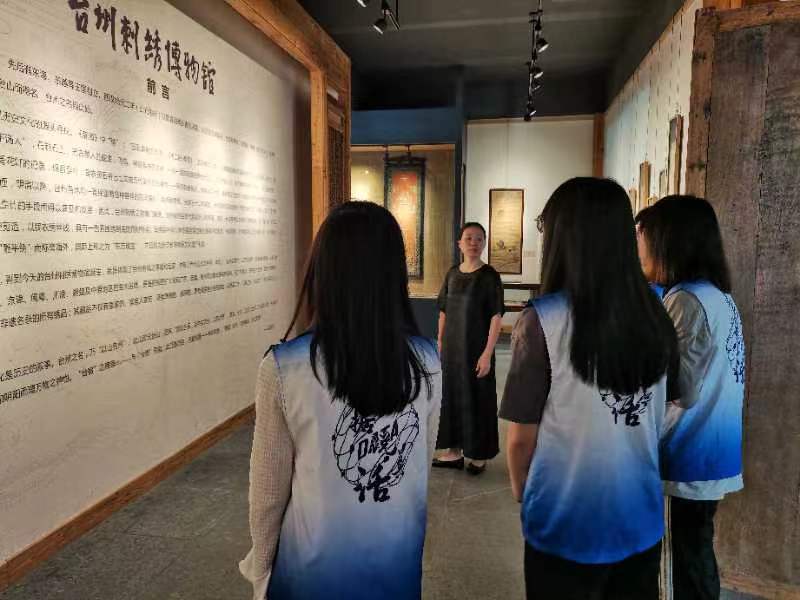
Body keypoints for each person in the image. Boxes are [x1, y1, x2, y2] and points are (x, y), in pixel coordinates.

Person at [239, 201, 442, 600]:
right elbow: (419, 465)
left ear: (323, 270)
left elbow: (268, 492)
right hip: (396, 566)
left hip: (309, 574)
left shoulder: (285, 367)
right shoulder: (427, 361)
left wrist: (261, 572)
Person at [500, 178, 678, 600]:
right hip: (639, 517)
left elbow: (521, 441)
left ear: (564, 238)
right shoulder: (657, 311)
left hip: (564, 523)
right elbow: (670, 408)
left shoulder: (543, 320)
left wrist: (523, 492)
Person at [637, 195, 745, 600]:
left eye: (644, 238)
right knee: (695, 554)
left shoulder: (684, 299)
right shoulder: (717, 295)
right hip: (713, 449)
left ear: (670, 241)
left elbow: (680, 389)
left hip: (685, 453)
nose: (639, 248)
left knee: (678, 565)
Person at [433, 222, 504, 475]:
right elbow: (443, 310)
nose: (474, 243)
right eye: (469, 238)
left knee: (478, 399)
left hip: (476, 350)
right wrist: (440, 341)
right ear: (459, 244)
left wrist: (487, 354)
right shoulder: (452, 274)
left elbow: (496, 316)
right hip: (452, 351)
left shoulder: (489, 276)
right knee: (451, 398)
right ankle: (454, 453)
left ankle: (478, 455)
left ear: (484, 243)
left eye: (479, 239)